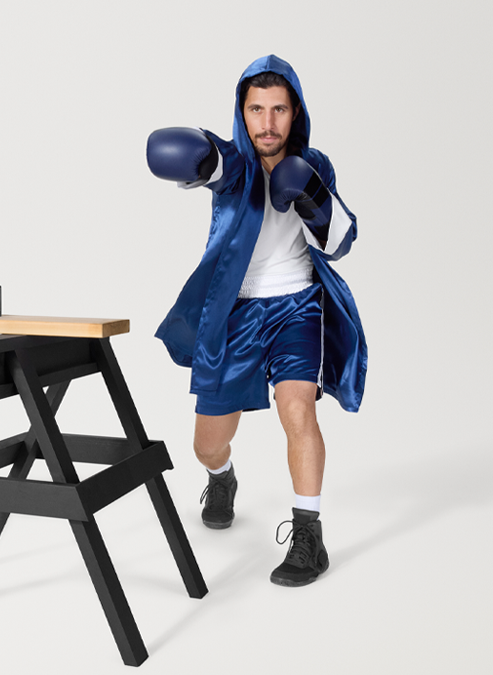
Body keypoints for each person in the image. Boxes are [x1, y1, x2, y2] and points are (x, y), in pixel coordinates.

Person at [145, 55, 367, 587]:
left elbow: (340, 241)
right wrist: (199, 153)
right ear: (242, 114)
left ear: (295, 113)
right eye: (256, 110)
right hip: (236, 313)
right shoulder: (234, 165)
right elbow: (210, 163)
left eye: (279, 110)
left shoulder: (314, 165)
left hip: (297, 307)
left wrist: (311, 195)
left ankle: (309, 537)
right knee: (206, 444)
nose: (267, 123)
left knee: (298, 411)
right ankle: (221, 477)